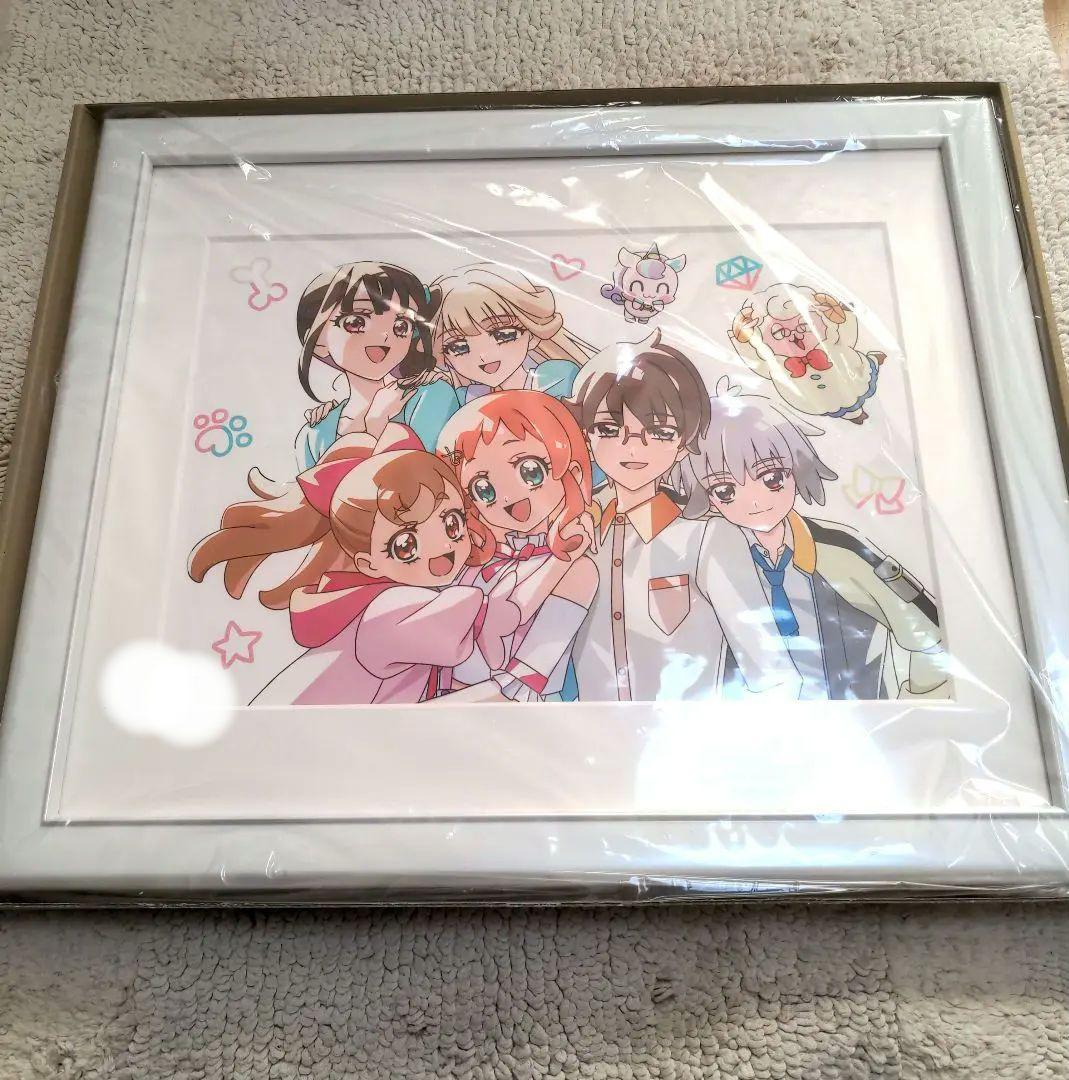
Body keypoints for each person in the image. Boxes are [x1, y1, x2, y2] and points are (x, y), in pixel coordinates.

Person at [188, 429, 520, 705]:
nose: (442, 548)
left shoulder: (366, 602)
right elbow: (470, 633)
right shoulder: (388, 607)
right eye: (406, 545)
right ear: (368, 563)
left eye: (451, 523)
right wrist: (496, 608)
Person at [675, 378, 948, 699]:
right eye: (725, 490)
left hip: (856, 718)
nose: (754, 501)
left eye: (771, 478)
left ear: (796, 466)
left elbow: (929, 636)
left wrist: (916, 704)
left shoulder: (840, 552)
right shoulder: (711, 564)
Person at [566, 332, 801, 702]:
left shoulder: (706, 539)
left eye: (659, 432)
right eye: (609, 430)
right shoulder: (575, 536)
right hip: (587, 730)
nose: (633, 446)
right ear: (585, 437)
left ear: (683, 443)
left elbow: (771, 672)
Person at [439, 391, 598, 703]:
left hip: (518, 712)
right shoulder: (473, 565)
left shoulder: (577, 571)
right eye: (483, 489)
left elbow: (525, 679)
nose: (510, 497)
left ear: (570, 470)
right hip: (449, 703)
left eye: (530, 471)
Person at [293, 261, 459, 467]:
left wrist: (377, 425)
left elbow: (431, 477)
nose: (384, 335)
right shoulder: (314, 434)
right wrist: (374, 427)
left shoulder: (430, 396)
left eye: (401, 326)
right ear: (319, 341)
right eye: (357, 322)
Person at [429, 263, 593, 403]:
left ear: (533, 334)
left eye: (503, 335)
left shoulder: (557, 379)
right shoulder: (464, 398)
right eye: (458, 347)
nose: (483, 356)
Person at [728, 282, 885, 424]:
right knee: (832, 404)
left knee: (861, 378)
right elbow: (757, 362)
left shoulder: (830, 340)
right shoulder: (775, 363)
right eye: (779, 333)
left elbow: (847, 336)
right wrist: (743, 340)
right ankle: (852, 416)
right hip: (812, 395)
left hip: (849, 373)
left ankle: (873, 360)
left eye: (804, 326)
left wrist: (842, 314)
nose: (795, 336)